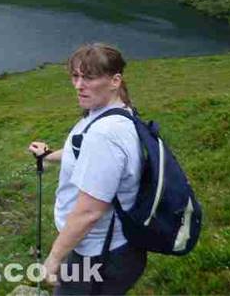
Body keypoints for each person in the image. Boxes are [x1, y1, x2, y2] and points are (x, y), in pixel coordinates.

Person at [28, 42, 147, 295]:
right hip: (105, 247)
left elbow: (89, 212)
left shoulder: (105, 134)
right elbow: (83, 153)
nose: (78, 85)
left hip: (101, 256)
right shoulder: (113, 112)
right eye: (75, 76)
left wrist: (53, 259)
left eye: (89, 77)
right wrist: (50, 155)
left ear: (115, 80)